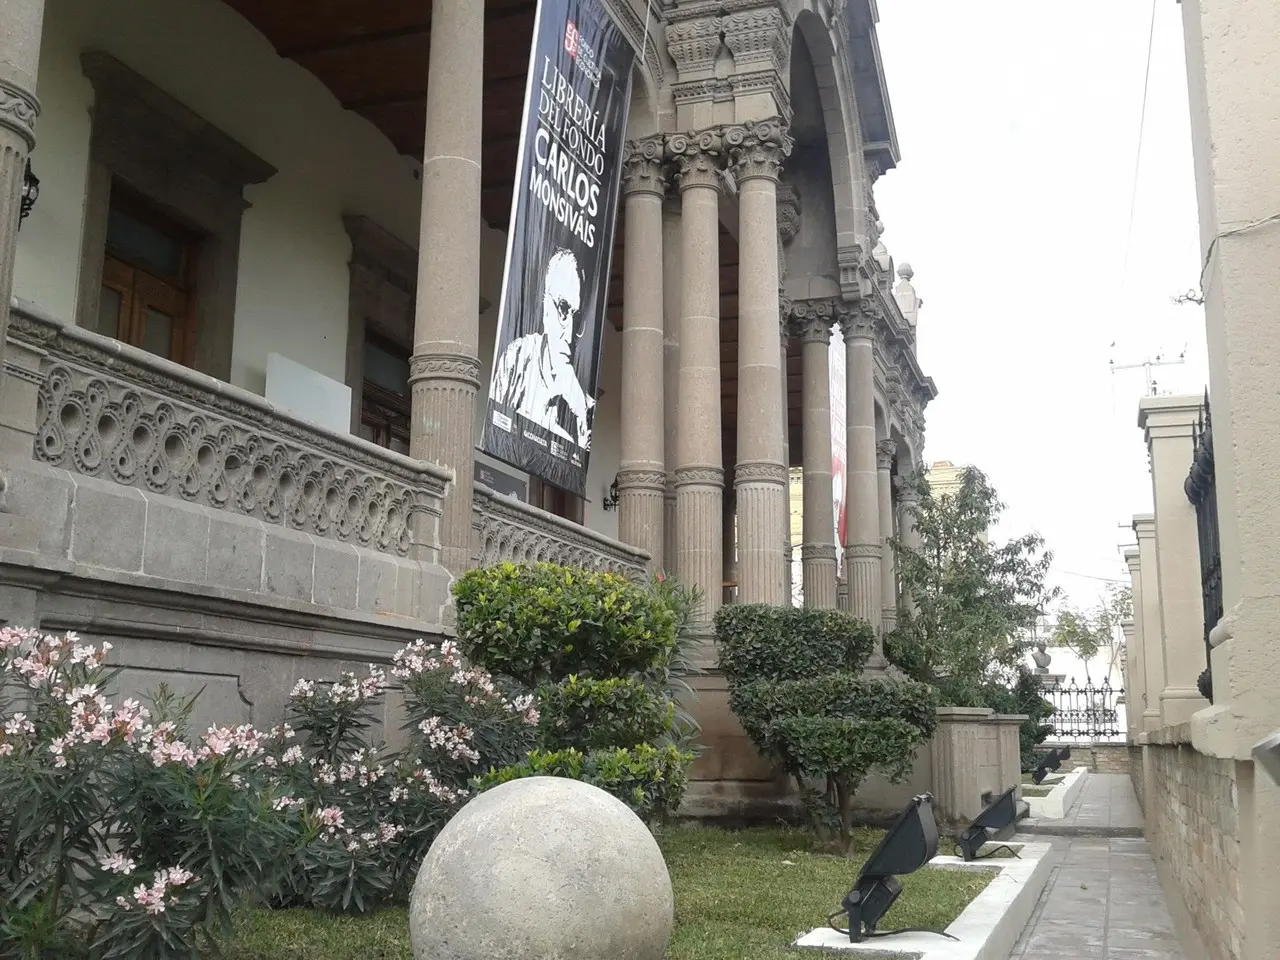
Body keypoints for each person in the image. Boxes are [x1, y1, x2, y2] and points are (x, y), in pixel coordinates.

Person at [490, 248, 594, 449]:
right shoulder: (516, 358)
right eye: (563, 309)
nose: (570, 333)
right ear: (545, 304)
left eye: (578, 318)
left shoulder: (584, 406)